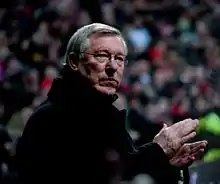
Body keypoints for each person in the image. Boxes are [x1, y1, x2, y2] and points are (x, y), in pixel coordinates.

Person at [15, 23, 207, 184]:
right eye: (102, 56)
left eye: (120, 59)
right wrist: (158, 150)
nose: (113, 67)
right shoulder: (50, 119)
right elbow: (98, 175)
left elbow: (127, 169)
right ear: (74, 61)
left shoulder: (107, 116)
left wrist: (166, 164)